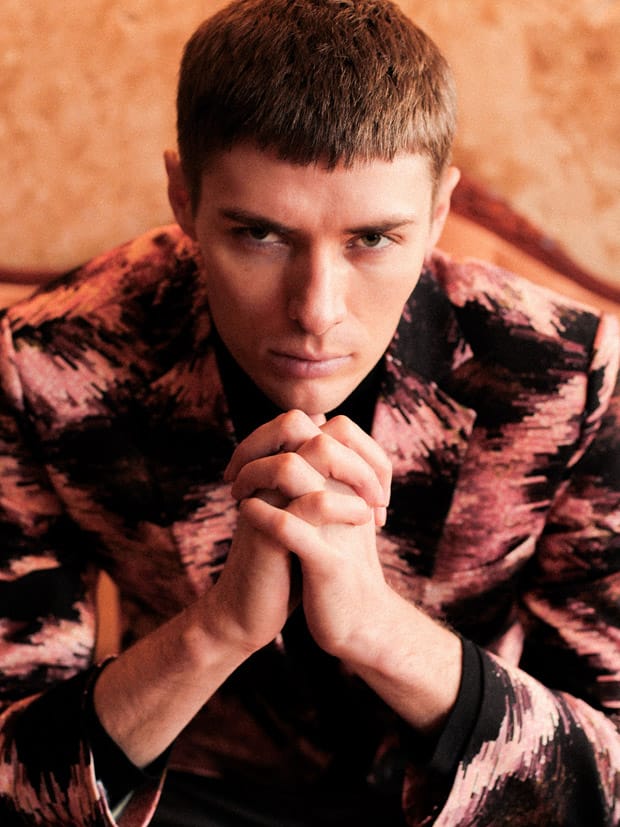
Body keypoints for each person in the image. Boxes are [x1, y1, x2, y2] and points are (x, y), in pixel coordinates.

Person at [0, 0, 618, 823]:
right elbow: (11, 766)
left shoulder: (564, 371)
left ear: (438, 213)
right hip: (191, 792)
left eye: (373, 239)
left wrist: (378, 630)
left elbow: (609, 772)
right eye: (260, 234)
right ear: (183, 197)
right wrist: (218, 628)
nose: (317, 310)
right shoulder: (47, 361)